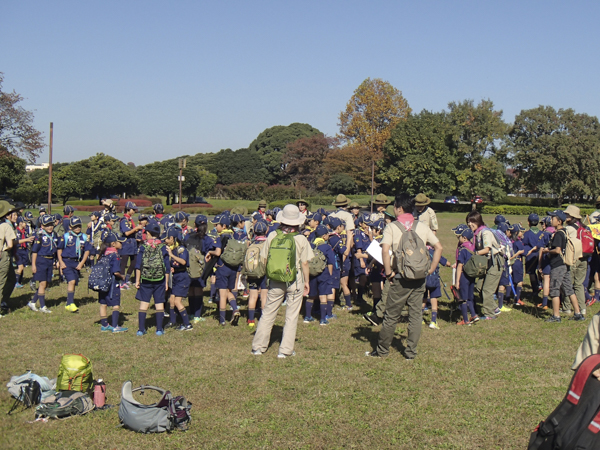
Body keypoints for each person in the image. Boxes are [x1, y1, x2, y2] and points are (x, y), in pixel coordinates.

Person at [366, 193, 442, 360]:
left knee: (391, 315)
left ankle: (382, 350)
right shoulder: (421, 226)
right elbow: (439, 247)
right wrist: (430, 269)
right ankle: (411, 352)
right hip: (419, 276)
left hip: (400, 275)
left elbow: (385, 251)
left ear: (399, 208)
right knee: (415, 315)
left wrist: (388, 273)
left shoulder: (392, 227)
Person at [252, 204, 314, 358]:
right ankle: (285, 350)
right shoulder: (301, 238)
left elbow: (264, 258)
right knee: (291, 315)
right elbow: (305, 263)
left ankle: (258, 346)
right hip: (295, 279)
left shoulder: (273, 235)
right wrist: (307, 281)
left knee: (268, 312)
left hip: (275, 279)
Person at [542, 210, 585, 323]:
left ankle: (556, 316)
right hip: (565, 264)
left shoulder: (558, 234)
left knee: (554, 289)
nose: (550, 220)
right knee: (568, 289)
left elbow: (557, 250)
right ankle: (578, 313)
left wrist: (547, 250)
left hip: (558, 265)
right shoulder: (565, 231)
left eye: (552, 218)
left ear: (559, 221)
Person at [134, 220, 171, 336]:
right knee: (159, 303)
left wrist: (137, 280)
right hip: (159, 279)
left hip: (145, 279)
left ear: (148, 233)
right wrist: (166, 282)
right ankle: (159, 329)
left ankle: (141, 329)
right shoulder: (163, 247)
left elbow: (138, 265)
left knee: (144, 303)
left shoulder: (143, 247)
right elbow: (167, 267)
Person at [467, 210, 503, 320]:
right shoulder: (477, 233)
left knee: (487, 290)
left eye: (472, 221)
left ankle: (490, 314)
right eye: (468, 222)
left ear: (478, 221)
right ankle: (494, 308)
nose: (469, 224)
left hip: (495, 261)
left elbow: (487, 249)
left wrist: (473, 254)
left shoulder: (485, 233)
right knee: (479, 288)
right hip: (487, 262)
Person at [185, 214, 219, 323]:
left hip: (189, 266)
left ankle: (191, 312)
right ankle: (197, 315)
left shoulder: (188, 236)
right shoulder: (208, 239)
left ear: (194, 224)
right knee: (198, 289)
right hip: (201, 268)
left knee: (191, 289)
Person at [57, 217, 92, 313]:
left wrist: (82, 263)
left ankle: (70, 301)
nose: (77, 228)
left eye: (79, 226)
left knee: (74, 282)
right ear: (70, 227)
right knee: (71, 281)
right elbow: (59, 249)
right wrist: (61, 262)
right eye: (75, 226)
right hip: (67, 261)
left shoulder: (84, 237)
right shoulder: (66, 236)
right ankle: (69, 304)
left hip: (77, 262)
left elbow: (87, 251)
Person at [97, 232, 128, 333]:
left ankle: (104, 325)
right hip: (112, 283)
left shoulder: (104, 254)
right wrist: (122, 276)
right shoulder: (115, 255)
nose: (121, 243)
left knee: (103, 303)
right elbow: (115, 272)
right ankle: (115, 326)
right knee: (116, 305)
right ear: (113, 244)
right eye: (120, 242)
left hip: (102, 283)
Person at [27, 214, 58, 313]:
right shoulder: (39, 235)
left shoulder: (54, 234)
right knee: (42, 283)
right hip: (41, 260)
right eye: (47, 225)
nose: (50, 227)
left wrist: (56, 261)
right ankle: (42, 306)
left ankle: (32, 302)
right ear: (42, 226)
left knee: (46, 283)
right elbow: (34, 252)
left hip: (50, 260)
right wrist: (34, 265)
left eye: (51, 224)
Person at [164, 227, 193, 331]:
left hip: (182, 278)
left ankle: (187, 324)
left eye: (166, 239)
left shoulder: (181, 249)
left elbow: (183, 262)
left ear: (172, 238)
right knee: (171, 300)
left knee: (177, 302)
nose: (165, 241)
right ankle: (173, 321)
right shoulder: (173, 248)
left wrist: (171, 255)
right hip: (176, 276)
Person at [565, 205, 589, 316]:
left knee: (568, 283)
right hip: (584, 258)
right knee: (579, 284)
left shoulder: (569, 228)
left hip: (573, 258)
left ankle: (567, 307)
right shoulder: (584, 227)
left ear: (571, 216)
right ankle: (582, 307)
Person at [453, 225, 478, 325]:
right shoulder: (472, 247)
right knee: (469, 296)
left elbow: (460, 266)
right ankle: (474, 314)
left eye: (458, 236)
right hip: (472, 275)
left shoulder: (463, 250)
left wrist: (457, 281)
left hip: (464, 276)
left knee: (462, 298)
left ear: (464, 238)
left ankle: (466, 320)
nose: (457, 238)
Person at [246, 220, 269, 328]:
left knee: (252, 296)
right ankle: (263, 319)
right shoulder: (267, 244)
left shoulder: (251, 244)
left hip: (252, 272)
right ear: (266, 230)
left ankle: (250, 320)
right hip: (263, 272)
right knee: (264, 296)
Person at [120, 202, 143, 288]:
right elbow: (126, 232)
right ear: (128, 209)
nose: (134, 211)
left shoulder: (130, 220)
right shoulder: (124, 220)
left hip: (133, 243)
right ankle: (121, 282)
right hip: (126, 243)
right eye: (133, 209)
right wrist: (136, 228)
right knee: (124, 263)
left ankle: (127, 278)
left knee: (134, 262)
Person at [0, 201, 18, 314]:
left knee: (11, 279)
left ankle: (4, 301)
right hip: (4, 254)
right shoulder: (6, 225)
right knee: (2, 281)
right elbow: (10, 244)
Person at [522, 213, 543, 301]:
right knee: (540, 271)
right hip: (541, 255)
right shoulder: (542, 233)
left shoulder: (527, 234)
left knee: (531, 272)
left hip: (531, 255)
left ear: (529, 222)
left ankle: (535, 289)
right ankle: (541, 284)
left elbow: (524, 243)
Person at [508, 223, 526, 306]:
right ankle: (517, 299)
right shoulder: (518, 242)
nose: (522, 233)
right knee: (519, 281)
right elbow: (522, 251)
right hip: (517, 262)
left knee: (512, 280)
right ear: (516, 233)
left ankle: (508, 297)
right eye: (520, 231)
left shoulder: (509, 241)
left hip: (510, 263)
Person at [14, 217, 34, 288]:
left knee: (22, 266)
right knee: (20, 266)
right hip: (18, 250)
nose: (26, 224)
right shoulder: (16, 232)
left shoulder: (24, 231)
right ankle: (16, 282)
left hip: (24, 250)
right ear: (20, 223)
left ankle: (19, 281)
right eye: (24, 222)